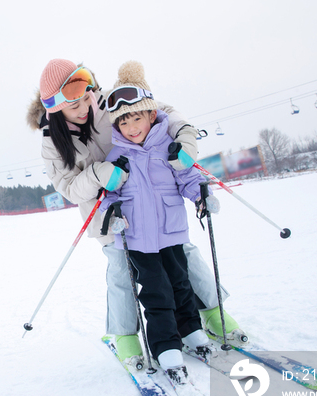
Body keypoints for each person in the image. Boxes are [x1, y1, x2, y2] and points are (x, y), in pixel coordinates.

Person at [26, 59, 243, 363]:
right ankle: (126, 335)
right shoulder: (52, 142)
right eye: (73, 104)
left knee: (184, 256)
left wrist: (185, 135)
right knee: (120, 269)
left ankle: (212, 312)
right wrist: (100, 173)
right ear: (55, 107)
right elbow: (69, 188)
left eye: (85, 95)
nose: (83, 106)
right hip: (108, 213)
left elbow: (164, 112)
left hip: (151, 201)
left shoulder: (111, 101)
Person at [100, 60, 216, 382]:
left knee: (181, 284)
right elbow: (107, 196)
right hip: (137, 240)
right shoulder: (117, 158)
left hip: (172, 233)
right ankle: (166, 347)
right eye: (124, 123)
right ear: (117, 127)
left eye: (137, 118)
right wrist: (113, 214)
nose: (132, 128)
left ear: (151, 116)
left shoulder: (168, 148)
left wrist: (200, 196)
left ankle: (191, 331)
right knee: (156, 292)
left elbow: (187, 178)